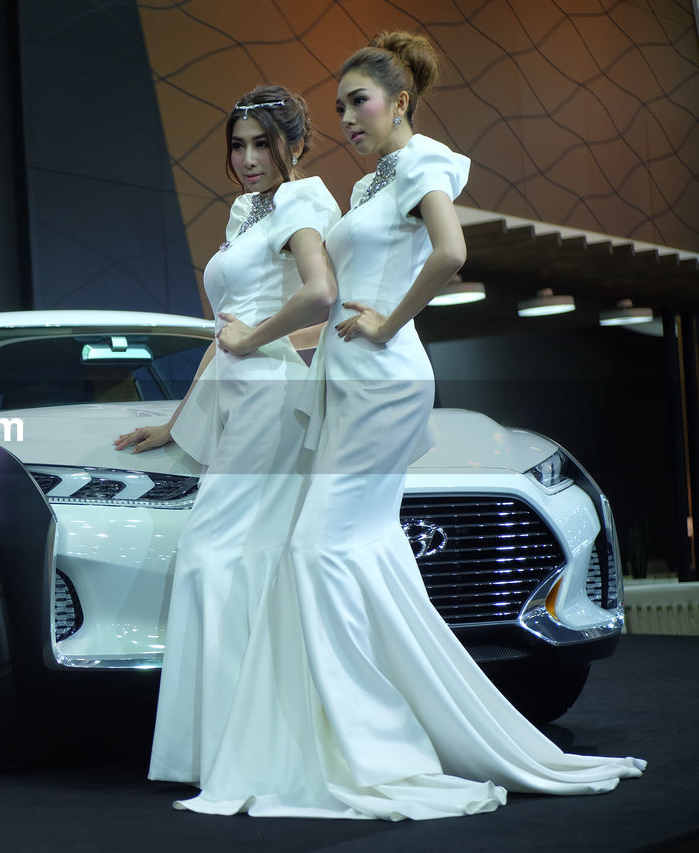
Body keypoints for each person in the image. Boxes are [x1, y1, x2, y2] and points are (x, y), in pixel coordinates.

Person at [177, 31, 645, 820]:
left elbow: (452, 251)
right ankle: (374, 731)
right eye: (339, 106)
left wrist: (389, 321)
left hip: (384, 380)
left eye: (360, 101)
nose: (349, 117)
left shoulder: (423, 159)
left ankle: (373, 747)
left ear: (400, 102)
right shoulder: (365, 188)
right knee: (363, 552)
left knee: (317, 551)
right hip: (348, 379)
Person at [114, 85, 341, 788]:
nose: (247, 159)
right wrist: (176, 422)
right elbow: (224, 333)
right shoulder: (246, 212)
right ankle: (235, 746)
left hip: (275, 400)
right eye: (237, 145)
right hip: (241, 400)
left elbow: (322, 294)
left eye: (261, 143)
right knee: (240, 562)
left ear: (294, 145)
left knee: (215, 555)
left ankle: (245, 752)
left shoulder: (303, 203)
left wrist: (257, 337)